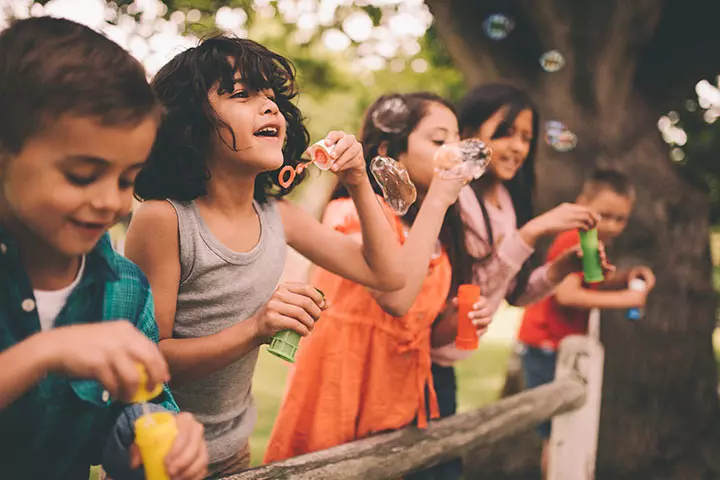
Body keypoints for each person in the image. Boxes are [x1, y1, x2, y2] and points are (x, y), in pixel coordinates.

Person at [124, 36, 405, 475]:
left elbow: (387, 275)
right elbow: (147, 362)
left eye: (272, 98)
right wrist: (256, 328)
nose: (270, 107)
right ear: (188, 124)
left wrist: (356, 180)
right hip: (159, 455)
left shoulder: (280, 216)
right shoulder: (165, 220)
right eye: (241, 93)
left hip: (235, 454)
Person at [0, 17, 207, 480]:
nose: (109, 201)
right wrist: (43, 353)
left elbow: (138, 405)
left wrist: (158, 434)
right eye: (81, 175)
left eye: (126, 179)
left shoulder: (127, 288)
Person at [264, 91, 488, 463]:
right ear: (391, 152)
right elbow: (397, 299)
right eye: (438, 140)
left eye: (457, 140)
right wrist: (438, 200)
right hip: (344, 391)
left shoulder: (433, 233)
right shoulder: (352, 214)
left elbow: (417, 326)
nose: (455, 151)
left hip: (402, 400)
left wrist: (454, 323)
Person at [419, 84, 601, 480]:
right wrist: (530, 234)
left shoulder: (506, 200)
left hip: (443, 366)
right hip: (416, 358)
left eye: (527, 138)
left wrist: (559, 269)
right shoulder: (454, 197)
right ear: (466, 132)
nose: (518, 147)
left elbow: (512, 293)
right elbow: (471, 287)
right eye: (505, 132)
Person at [518, 168, 654, 478]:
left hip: (563, 346)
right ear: (582, 204)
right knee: (557, 433)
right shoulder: (573, 237)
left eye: (621, 219)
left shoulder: (593, 239)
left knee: (569, 428)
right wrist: (626, 301)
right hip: (546, 345)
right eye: (605, 215)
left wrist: (623, 280)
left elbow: (590, 282)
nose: (613, 225)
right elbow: (567, 295)